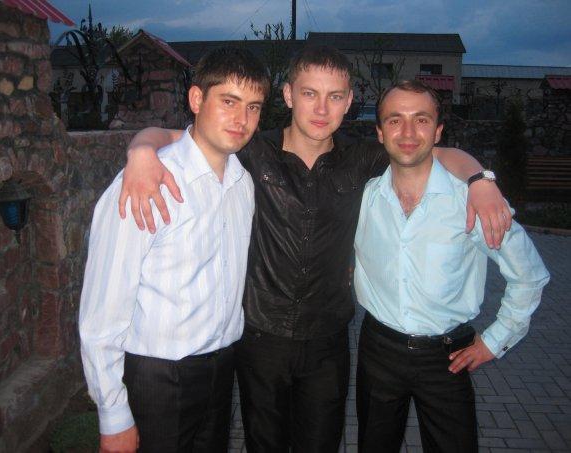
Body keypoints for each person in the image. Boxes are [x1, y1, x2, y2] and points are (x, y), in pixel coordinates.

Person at [118, 46, 513, 452]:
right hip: (261, 339)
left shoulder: (363, 159)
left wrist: (480, 180)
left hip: (328, 343)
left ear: (349, 101)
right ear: (289, 95)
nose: (322, 109)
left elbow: (436, 153)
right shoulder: (253, 151)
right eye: (310, 94)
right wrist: (141, 150)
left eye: (335, 96)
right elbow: (181, 136)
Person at [79, 47, 269, 453]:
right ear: (197, 99)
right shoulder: (147, 184)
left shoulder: (243, 184)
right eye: (229, 101)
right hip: (158, 380)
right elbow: (103, 311)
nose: (242, 119)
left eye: (253, 107)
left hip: (222, 368)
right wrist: (113, 413)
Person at [354, 80, 550, 452]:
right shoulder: (366, 198)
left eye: (421, 120)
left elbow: (529, 275)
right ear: (379, 132)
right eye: (395, 120)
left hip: (447, 358)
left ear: (438, 131)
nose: (408, 132)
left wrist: (494, 341)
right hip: (378, 350)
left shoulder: (472, 202)